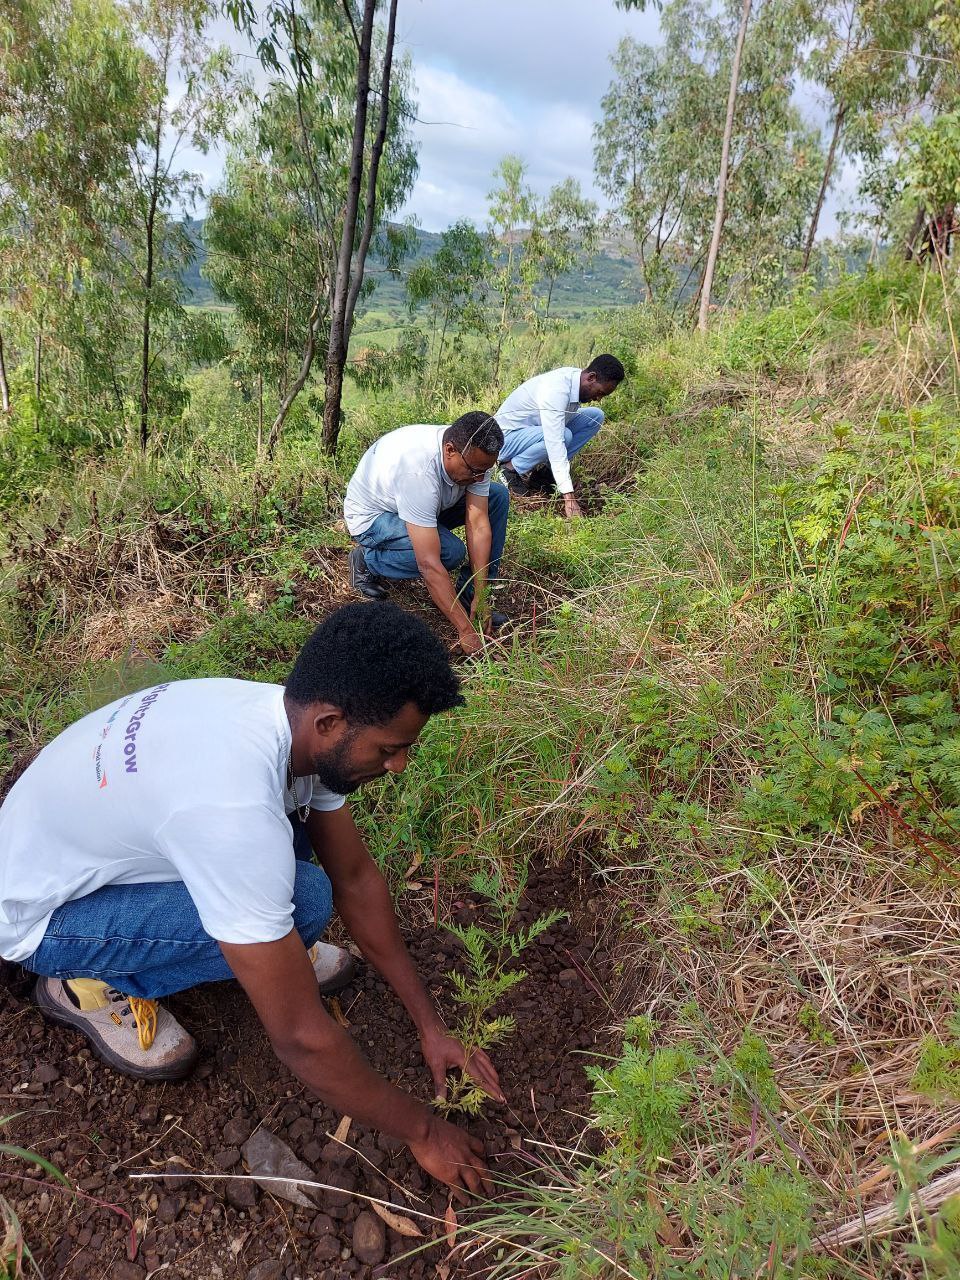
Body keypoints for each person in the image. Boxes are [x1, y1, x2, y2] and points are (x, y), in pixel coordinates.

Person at [0, 603, 499, 1200]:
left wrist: (431, 1026)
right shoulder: (230, 810)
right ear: (332, 722)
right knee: (302, 900)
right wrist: (423, 1130)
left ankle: (261, 939)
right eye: (390, 748)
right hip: (42, 915)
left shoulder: (286, 717)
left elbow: (358, 878)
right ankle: (83, 980)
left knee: (297, 874)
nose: (398, 765)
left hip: (63, 844)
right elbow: (300, 1038)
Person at [344, 412, 508, 656]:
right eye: (475, 471)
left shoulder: (473, 456)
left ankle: (468, 596)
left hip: (425, 505)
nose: (479, 478)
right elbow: (428, 564)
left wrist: (481, 596)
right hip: (375, 518)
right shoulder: (418, 471)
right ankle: (367, 561)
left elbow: (478, 522)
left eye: (485, 470)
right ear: (449, 450)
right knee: (448, 553)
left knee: (497, 496)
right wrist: (465, 630)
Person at [496, 354, 626, 518]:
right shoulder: (556, 390)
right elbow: (555, 441)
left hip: (531, 432)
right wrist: (569, 497)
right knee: (564, 435)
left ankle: (544, 475)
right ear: (591, 377)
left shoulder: (576, 381)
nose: (598, 398)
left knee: (595, 416)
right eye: (600, 392)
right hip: (504, 440)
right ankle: (510, 470)